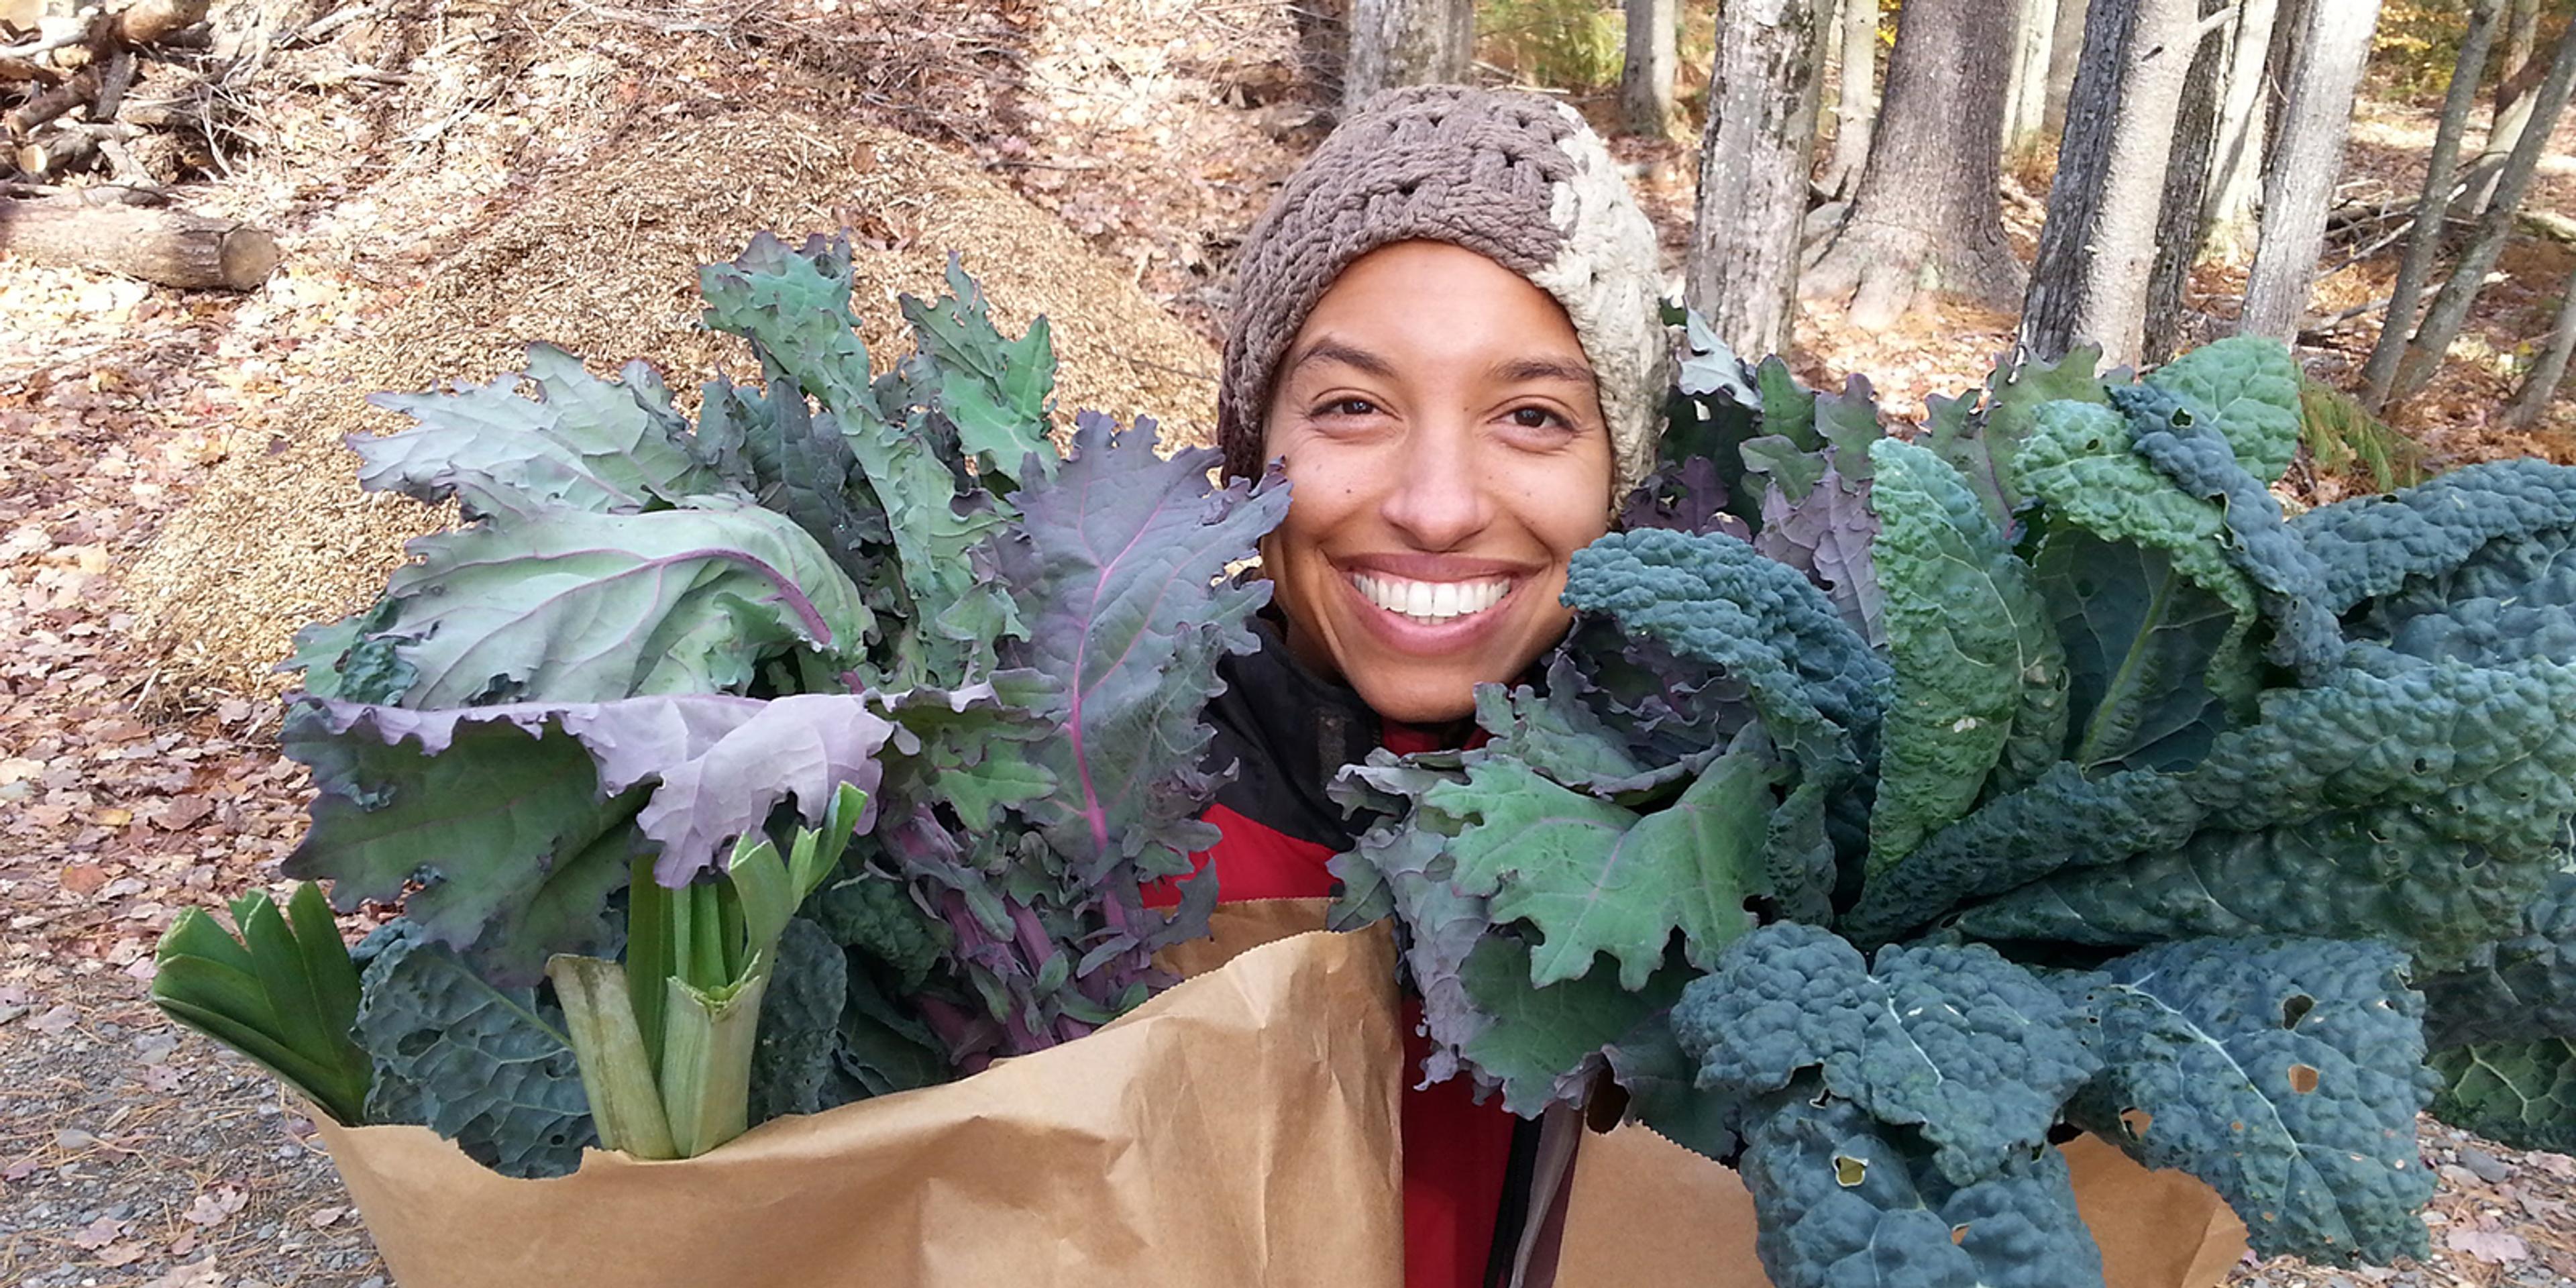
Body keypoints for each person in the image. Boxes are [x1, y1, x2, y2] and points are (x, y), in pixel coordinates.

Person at [1185, 84, 1672, 1288]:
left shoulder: (1743, 843)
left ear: (1622, 477)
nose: (1438, 505)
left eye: (1533, 415)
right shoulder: (1069, 828)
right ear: (1254, 454)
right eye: (1354, 406)